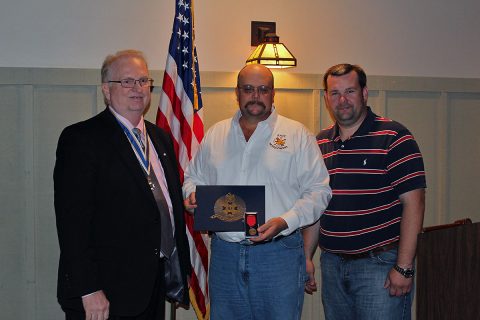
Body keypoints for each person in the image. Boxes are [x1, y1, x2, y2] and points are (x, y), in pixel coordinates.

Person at [183, 64, 332, 320]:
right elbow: (192, 177)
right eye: (248, 89)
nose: (255, 96)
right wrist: (194, 195)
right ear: (237, 92)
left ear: (273, 94)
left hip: (278, 255)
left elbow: (319, 191)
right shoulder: (215, 134)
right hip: (225, 256)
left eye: (263, 89)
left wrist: (285, 220)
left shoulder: (297, 135)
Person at [54, 49, 191, 320]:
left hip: (153, 284)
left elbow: (159, 201)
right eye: (126, 81)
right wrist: (89, 289)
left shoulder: (160, 138)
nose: (137, 88)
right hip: (104, 292)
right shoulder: (81, 139)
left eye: (143, 81)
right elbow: (72, 224)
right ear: (107, 90)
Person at [302, 63, 426, 320]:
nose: (343, 100)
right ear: (326, 98)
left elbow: (415, 204)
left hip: (380, 265)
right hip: (333, 265)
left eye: (350, 91)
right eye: (335, 93)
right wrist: (306, 257)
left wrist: (403, 268)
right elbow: (315, 207)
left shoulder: (395, 137)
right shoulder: (320, 143)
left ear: (365, 93)